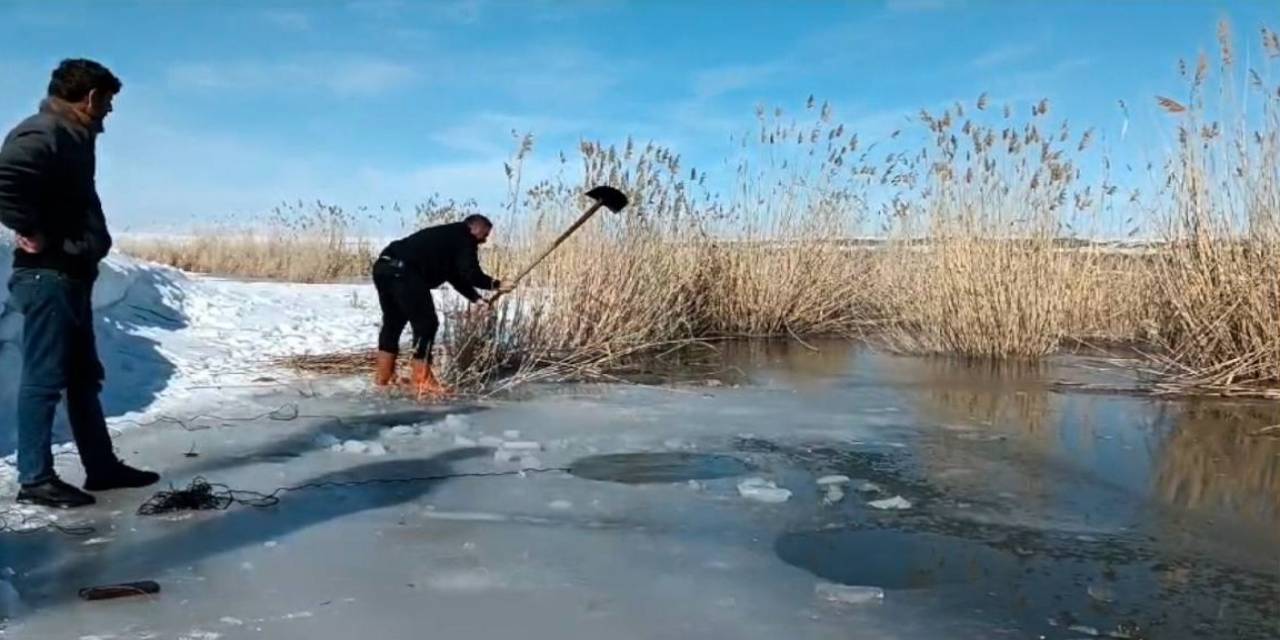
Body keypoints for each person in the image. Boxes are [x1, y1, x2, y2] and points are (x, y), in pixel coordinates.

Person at [0, 59, 159, 509]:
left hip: (69, 277)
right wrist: (34, 229)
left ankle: (101, 466)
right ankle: (34, 479)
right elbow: (5, 179)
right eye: (107, 103)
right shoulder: (44, 131)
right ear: (90, 97)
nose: (108, 113)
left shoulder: (71, 136)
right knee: (44, 379)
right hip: (46, 276)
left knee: (83, 376)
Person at [372, 214, 512, 399]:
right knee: (427, 324)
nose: (484, 240)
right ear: (474, 228)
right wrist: (496, 284)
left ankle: (383, 378)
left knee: (393, 323)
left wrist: (477, 299)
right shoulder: (464, 237)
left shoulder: (447, 238)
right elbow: (471, 272)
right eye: (485, 235)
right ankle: (421, 380)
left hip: (384, 268)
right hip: (405, 272)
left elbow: (455, 275)